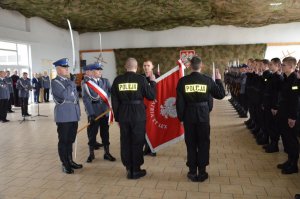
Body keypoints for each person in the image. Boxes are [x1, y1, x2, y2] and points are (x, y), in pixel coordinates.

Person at [176, 56, 225, 182]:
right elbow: (220, 95)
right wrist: (219, 80)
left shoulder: (183, 81)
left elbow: (180, 102)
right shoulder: (207, 80)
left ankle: (192, 172)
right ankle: (202, 172)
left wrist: (181, 118)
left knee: (191, 143)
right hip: (203, 114)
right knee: (203, 142)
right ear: (201, 65)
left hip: (188, 115)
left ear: (190, 66)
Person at [111, 57, 156, 179]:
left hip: (124, 114)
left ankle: (128, 168)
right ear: (136, 68)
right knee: (137, 141)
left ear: (125, 67)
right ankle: (136, 170)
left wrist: (117, 117)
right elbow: (151, 96)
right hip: (138, 115)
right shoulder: (141, 80)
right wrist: (152, 82)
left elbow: (114, 101)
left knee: (125, 141)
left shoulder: (117, 80)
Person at [51, 58, 82, 174]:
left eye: (67, 67)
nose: (67, 69)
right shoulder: (55, 82)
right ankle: (65, 163)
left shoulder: (68, 81)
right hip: (63, 116)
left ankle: (70, 160)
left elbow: (75, 98)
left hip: (73, 114)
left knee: (71, 140)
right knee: (63, 141)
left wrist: (78, 113)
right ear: (58, 69)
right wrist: (71, 82)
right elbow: (65, 96)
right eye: (64, 67)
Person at [276, 56, 299, 174]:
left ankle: (294, 164)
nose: (281, 66)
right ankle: (289, 160)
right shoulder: (286, 78)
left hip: (290, 114)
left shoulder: (295, 80)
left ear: (291, 66)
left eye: (283, 65)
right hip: (283, 112)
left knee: (292, 139)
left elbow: (295, 100)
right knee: (286, 138)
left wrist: (293, 117)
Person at [141, 60, 160, 156]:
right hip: (143, 108)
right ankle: (147, 148)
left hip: (154, 107)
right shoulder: (140, 78)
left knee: (153, 128)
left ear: (152, 66)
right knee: (144, 129)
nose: (146, 67)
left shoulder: (158, 78)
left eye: (148, 65)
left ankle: (153, 148)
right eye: (144, 65)